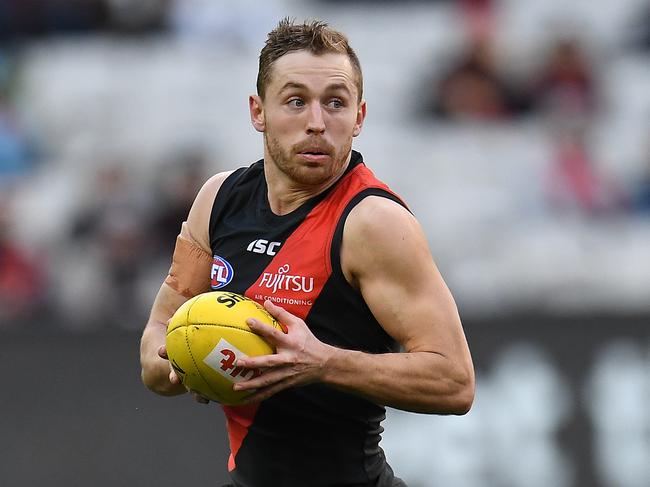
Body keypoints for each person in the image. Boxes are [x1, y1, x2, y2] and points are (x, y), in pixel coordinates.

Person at [140, 18, 475, 487]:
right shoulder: (218, 199)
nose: (317, 123)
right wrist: (182, 362)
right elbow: (158, 333)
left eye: (335, 103)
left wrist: (321, 362)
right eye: (296, 101)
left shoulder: (373, 222)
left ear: (359, 117)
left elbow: (455, 380)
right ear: (258, 111)